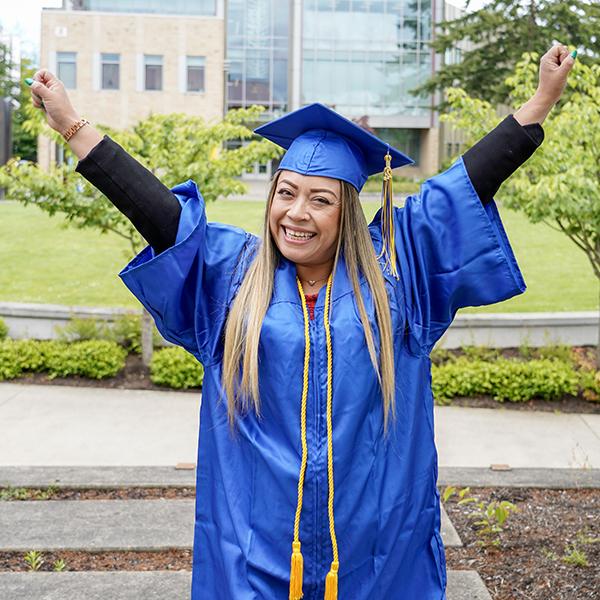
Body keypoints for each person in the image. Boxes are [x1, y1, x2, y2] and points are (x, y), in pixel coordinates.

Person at [29, 44, 575, 599]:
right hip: (256, 550)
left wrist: (541, 100)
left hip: (375, 550)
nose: (297, 213)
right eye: (286, 194)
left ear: (348, 211)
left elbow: (463, 186)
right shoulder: (233, 280)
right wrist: (72, 125)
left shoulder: (396, 277)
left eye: (320, 200)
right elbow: (162, 217)